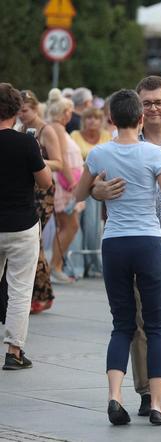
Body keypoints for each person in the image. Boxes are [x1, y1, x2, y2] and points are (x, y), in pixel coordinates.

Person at [74, 88, 161, 425]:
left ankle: (115, 397)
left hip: (114, 243)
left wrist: (97, 189)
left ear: (111, 120)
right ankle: (159, 404)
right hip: (148, 243)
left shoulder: (99, 153)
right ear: (141, 117)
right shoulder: (152, 153)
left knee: (123, 325)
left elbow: (76, 192)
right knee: (158, 326)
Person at [0, 83, 52, 370]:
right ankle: (14, 351)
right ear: (16, 110)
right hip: (21, 224)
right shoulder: (26, 142)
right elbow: (45, 182)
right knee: (19, 290)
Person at [17, 90, 62, 313]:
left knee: (36, 240)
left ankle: (42, 294)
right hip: (25, 188)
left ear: (35, 108)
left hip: (43, 191)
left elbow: (59, 162)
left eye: (25, 110)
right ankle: (38, 293)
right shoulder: (21, 129)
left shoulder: (47, 130)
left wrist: (36, 159)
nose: (22, 115)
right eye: (18, 111)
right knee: (31, 242)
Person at [47, 90, 84, 284]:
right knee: (69, 225)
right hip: (65, 185)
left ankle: (56, 265)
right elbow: (63, 160)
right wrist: (73, 183)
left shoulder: (57, 128)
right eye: (69, 111)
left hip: (66, 183)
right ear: (64, 112)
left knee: (68, 225)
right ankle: (56, 266)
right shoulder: (58, 129)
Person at [71, 107, 112, 277]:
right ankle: (77, 267)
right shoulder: (74, 135)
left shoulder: (106, 136)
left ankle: (94, 264)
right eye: (89, 118)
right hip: (78, 183)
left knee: (94, 226)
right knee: (76, 226)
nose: (92, 121)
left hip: (98, 185)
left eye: (96, 118)